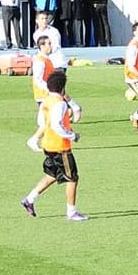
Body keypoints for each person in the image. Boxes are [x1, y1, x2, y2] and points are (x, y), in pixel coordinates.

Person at [21, 69, 86, 221]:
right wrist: (72, 135)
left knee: (52, 175)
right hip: (60, 146)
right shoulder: (60, 104)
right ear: (63, 87)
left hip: (47, 145)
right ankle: (71, 212)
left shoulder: (46, 101)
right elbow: (57, 126)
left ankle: (29, 199)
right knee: (72, 178)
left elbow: (41, 123)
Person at [23, 34, 60, 153]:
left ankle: (44, 142)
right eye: (48, 44)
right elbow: (38, 79)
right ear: (41, 46)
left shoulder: (46, 60)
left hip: (46, 95)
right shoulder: (40, 61)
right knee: (47, 121)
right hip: (44, 95)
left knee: (49, 121)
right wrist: (50, 90)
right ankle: (34, 140)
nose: (50, 46)